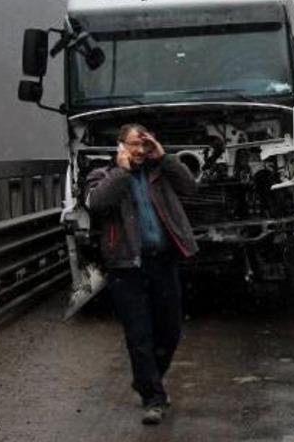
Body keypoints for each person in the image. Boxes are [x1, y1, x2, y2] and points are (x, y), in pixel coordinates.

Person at [85, 123, 198, 424]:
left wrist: (164, 157)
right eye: (134, 144)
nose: (139, 150)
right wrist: (122, 173)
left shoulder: (159, 171)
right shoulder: (104, 175)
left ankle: (149, 380)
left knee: (170, 331)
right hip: (126, 267)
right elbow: (96, 203)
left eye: (144, 144)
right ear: (120, 146)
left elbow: (190, 187)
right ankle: (154, 398)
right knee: (139, 335)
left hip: (163, 262)